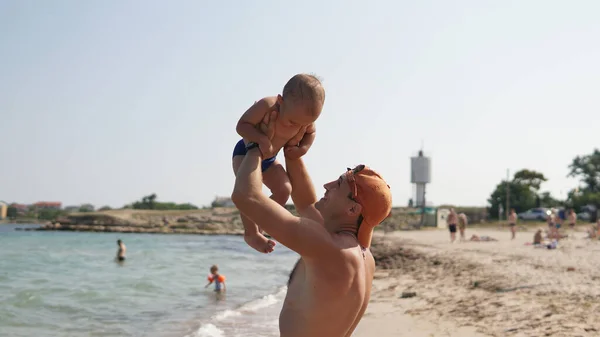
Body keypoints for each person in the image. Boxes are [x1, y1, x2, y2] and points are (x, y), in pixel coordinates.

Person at [231, 111, 392, 337]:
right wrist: (293, 151)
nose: (326, 186)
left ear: (353, 209)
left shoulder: (329, 249)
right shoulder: (361, 254)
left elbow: (246, 196)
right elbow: (306, 204)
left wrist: (255, 147)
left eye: (338, 185)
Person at [232, 74, 325, 254]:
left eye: (305, 123)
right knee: (250, 193)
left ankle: (262, 222)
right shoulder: (268, 106)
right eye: (292, 122)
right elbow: (241, 126)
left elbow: (310, 134)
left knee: (284, 189)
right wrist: (259, 139)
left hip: (270, 159)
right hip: (245, 152)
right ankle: (251, 233)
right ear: (281, 101)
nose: (298, 127)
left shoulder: (304, 121)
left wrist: (303, 148)